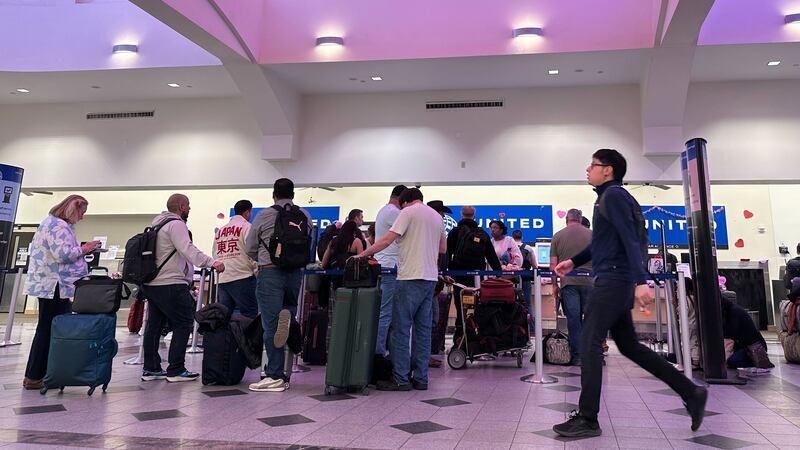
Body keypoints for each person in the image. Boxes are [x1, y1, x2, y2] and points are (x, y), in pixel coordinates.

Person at [552, 149, 707, 437]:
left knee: (589, 342)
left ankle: (587, 418)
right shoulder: (609, 198)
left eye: (593, 165)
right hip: (615, 277)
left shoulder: (613, 197)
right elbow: (605, 240)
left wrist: (641, 279)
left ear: (608, 170)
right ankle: (691, 392)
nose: (588, 169)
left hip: (614, 279)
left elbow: (629, 237)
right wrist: (574, 261)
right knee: (629, 346)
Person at [357, 188, 446, 391]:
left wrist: (363, 254)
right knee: (423, 331)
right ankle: (421, 378)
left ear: (405, 201)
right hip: (430, 279)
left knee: (401, 329)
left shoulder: (407, 213)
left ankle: (400, 378)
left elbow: (387, 240)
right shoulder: (435, 216)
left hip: (409, 277)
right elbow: (442, 249)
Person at [142, 194, 225, 383]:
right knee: (184, 322)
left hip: (152, 283)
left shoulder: (157, 224)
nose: (189, 209)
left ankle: (151, 368)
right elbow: (188, 249)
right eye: (188, 206)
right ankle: (176, 369)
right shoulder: (176, 224)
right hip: (171, 282)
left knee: (154, 326)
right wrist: (212, 262)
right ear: (181, 206)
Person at [22, 195, 101, 390]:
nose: (82, 217)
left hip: (53, 284)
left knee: (49, 329)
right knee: (49, 329)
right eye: (82, 213)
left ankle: (41, 374)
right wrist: (85, 249)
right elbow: (63, 255)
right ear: (73, 209)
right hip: (54, 285)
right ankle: (34, 375)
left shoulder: (52, 224)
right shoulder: (58, 226)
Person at [245, 178, 311, 393]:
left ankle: (274, 375)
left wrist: (264, 259)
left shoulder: (264, 215)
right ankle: (287, 369)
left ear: (274, 194)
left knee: (271, 324)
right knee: (288, 318)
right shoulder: (304, 216)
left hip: (270, 272)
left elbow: (250, 248)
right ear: (293, 194)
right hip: (295, 274)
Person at [446, 206, 502, 343]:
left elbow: (447, 254)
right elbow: (491, 256)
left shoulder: (455, 232)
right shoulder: (481, 232)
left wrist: (446, 272)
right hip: (477, 278)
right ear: (474, 216)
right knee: (478, 308)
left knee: (460, 309)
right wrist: (499, 272)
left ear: (461, 215)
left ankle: (459, 339)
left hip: (458, 276)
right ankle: (477, 340)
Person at [550, 208, 593, 366]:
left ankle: (578, 356)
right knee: (592, 320)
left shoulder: (558, 236)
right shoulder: (593, 235)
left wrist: (555, 286)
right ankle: (594, 356)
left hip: (569, 283)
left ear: (566, 220)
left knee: (574, 320)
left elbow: (553, 265)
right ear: (580, 220)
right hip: (591, 283)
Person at [373, 184, 407, 356]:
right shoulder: (394, 213)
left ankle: (383, 351)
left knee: (386, 313)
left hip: (384, 265)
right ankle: (379, 353)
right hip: (390, 267)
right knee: (386, 314)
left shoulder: (383, 211)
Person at [213, 200, 258, 319]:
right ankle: (244, 338)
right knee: (249, 315)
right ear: (248, 212)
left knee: (223, 318)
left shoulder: (221, 231)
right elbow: (252, 252)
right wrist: (258, 273)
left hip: (223, 278)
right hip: (242, 276)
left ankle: (224, 338)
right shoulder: (247, 227)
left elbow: (215, 254)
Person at [426, 200, 453, 368]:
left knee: (432, 319)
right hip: (427, 284)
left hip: (434, 284)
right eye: (441, 213)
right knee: (429, 319)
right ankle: (424, 355)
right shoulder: (429, 232)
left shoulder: (436, 231)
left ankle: (425, 354)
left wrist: (442, 276)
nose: (443, 217)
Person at [511, 229, 536, 332]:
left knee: (511, 304)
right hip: (525, 279)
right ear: (522, 237)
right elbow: (534, 265)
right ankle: (531, 329)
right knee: (527, 304)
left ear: (512, 238)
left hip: (511, 280)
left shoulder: (509, 248)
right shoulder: (528, 248)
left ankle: (512, 328)